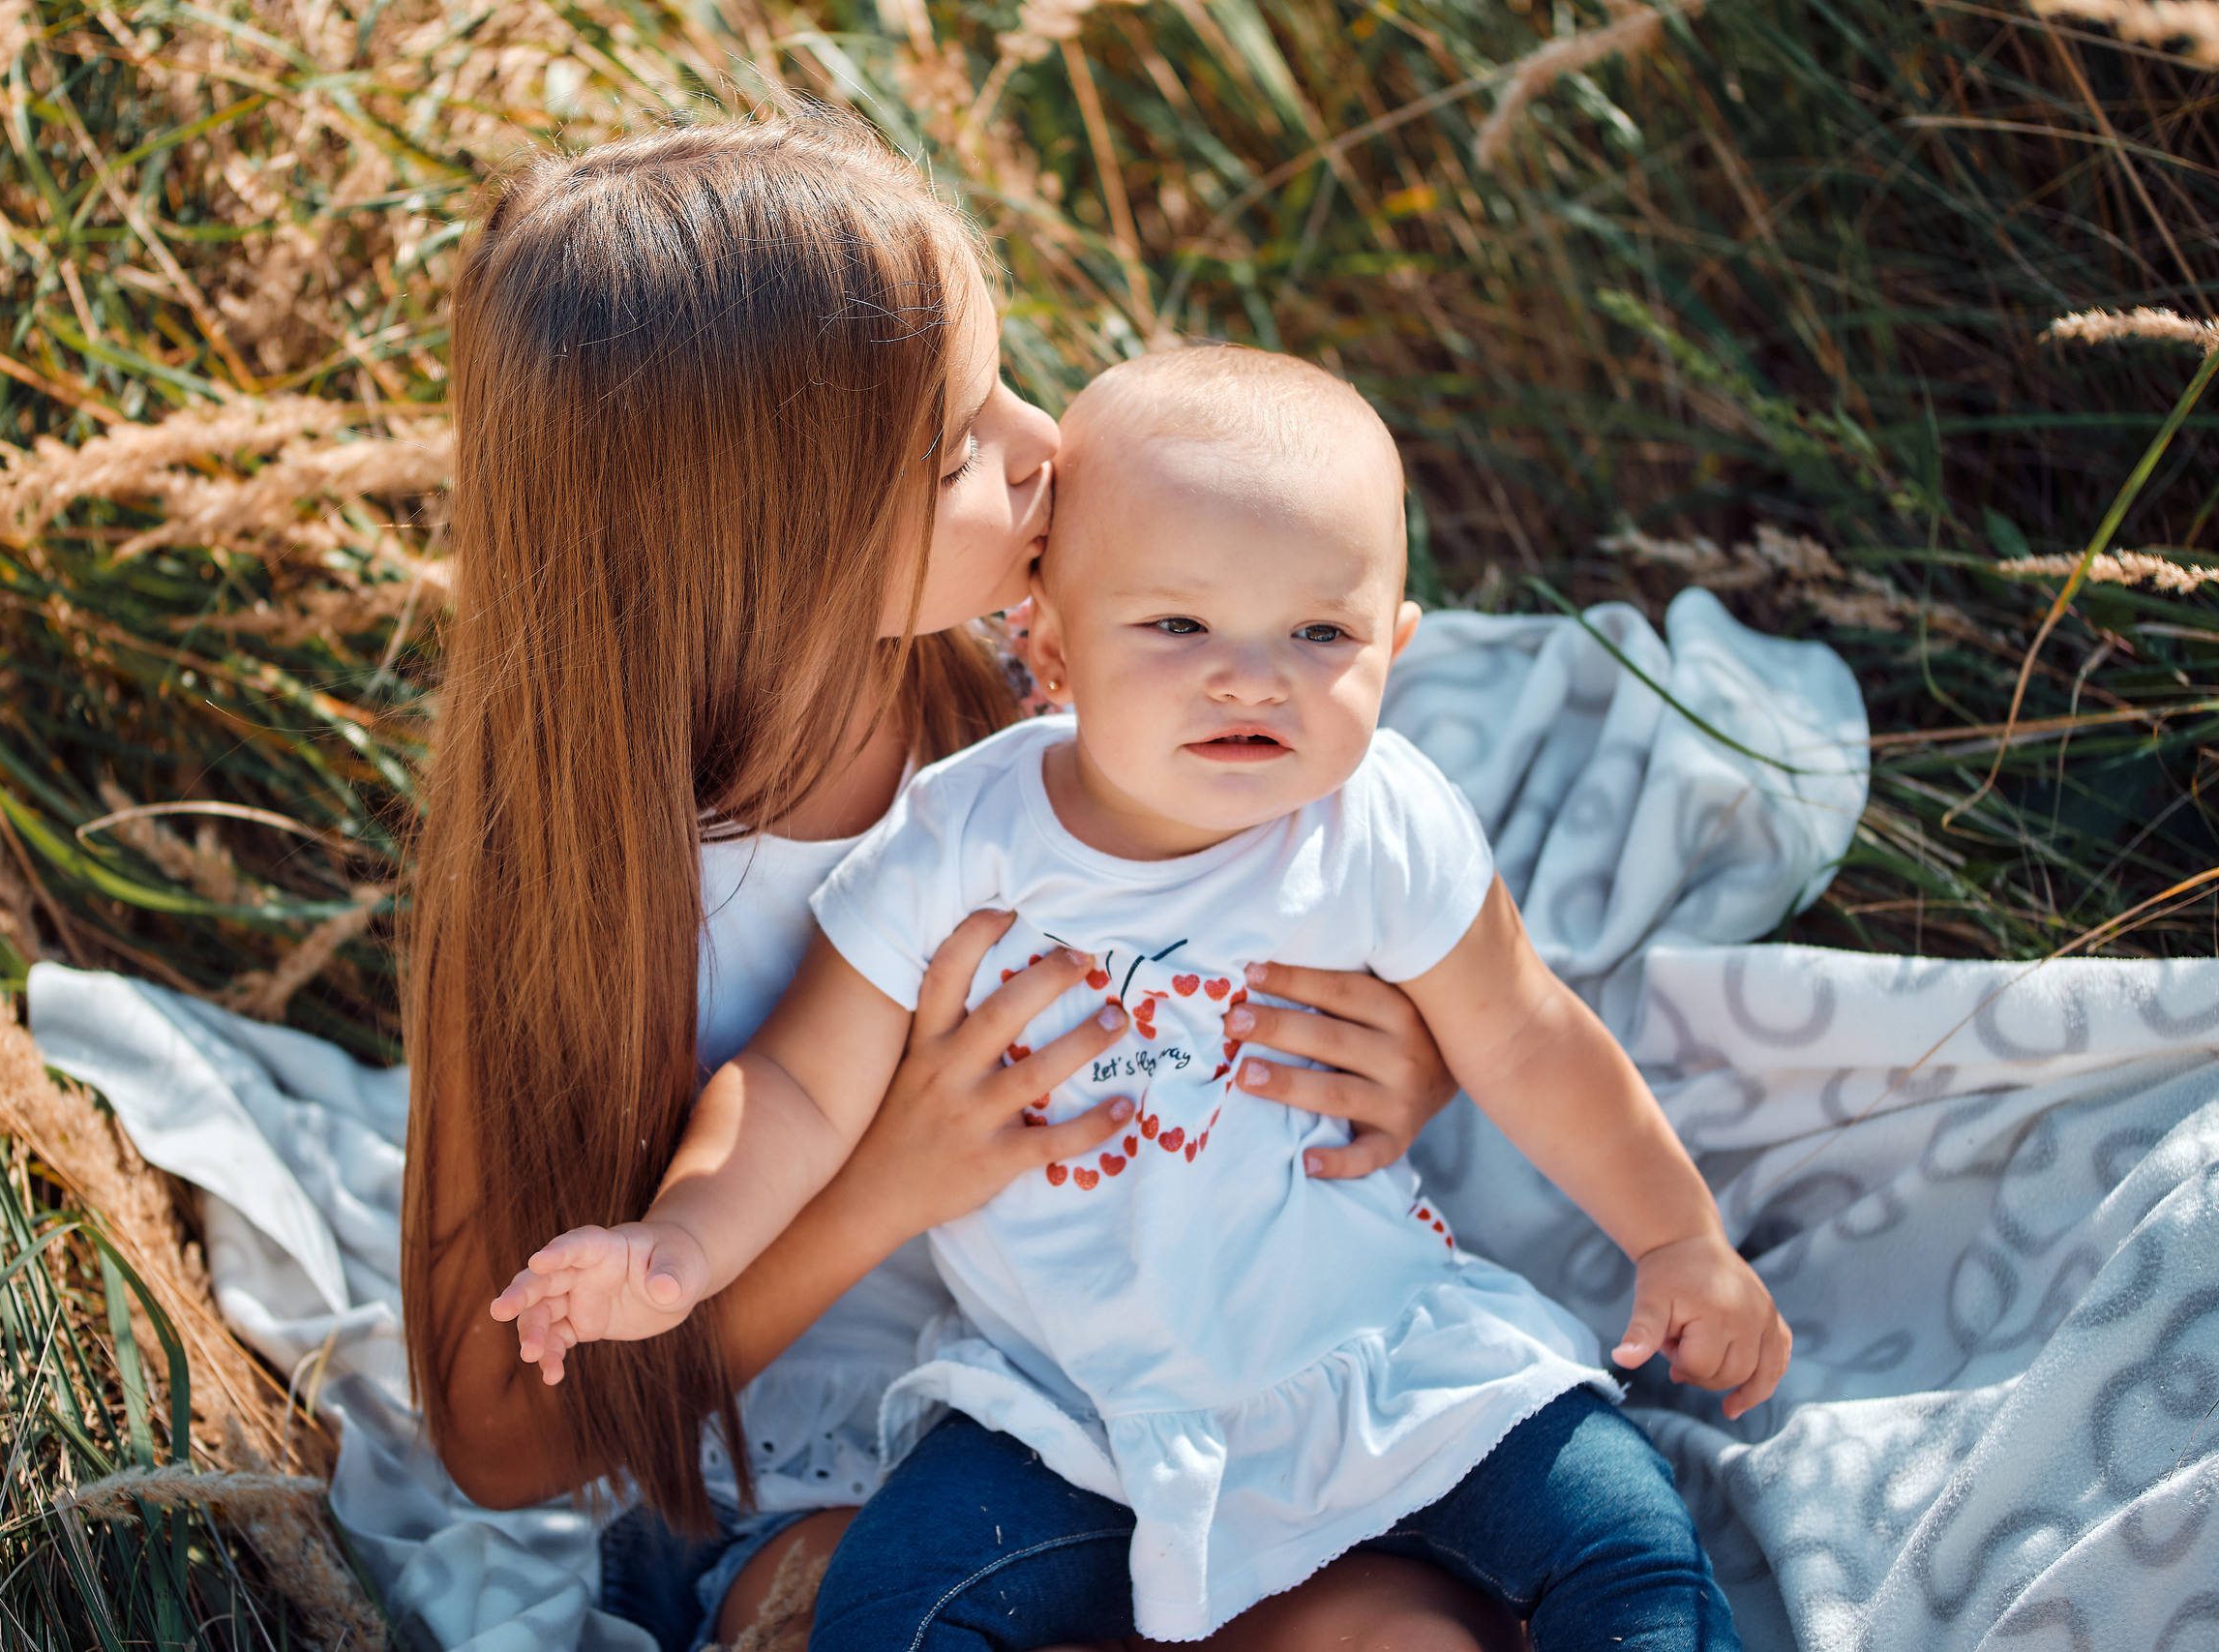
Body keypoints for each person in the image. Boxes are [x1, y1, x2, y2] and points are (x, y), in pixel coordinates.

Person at [405, 117, 1522, 1652]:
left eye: (1005, 382)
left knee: (1411, 1638)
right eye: (961, 445)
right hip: (827, 1468)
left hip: (1164, 1368)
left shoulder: (1031, 682)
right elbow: (498, 1441)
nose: (1046, 440)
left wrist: (1414, 1061)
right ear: (766, 540)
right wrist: (885, 1191)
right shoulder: (564, 904)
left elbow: (1281, 908)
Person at [496, 345, 1792, 1649]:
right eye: (1178, 626)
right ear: (1050, 645)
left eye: (1320, 633)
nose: (1251, 676)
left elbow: (1525, 1030)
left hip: (1380, 1354)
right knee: (895, 1607)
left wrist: (1677, 1237)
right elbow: (791, 1085)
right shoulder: (961, 840)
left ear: (1395, 648)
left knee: (1627, 1539)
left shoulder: (1377, 818)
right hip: (1066, 1409)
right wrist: (684, 1243)